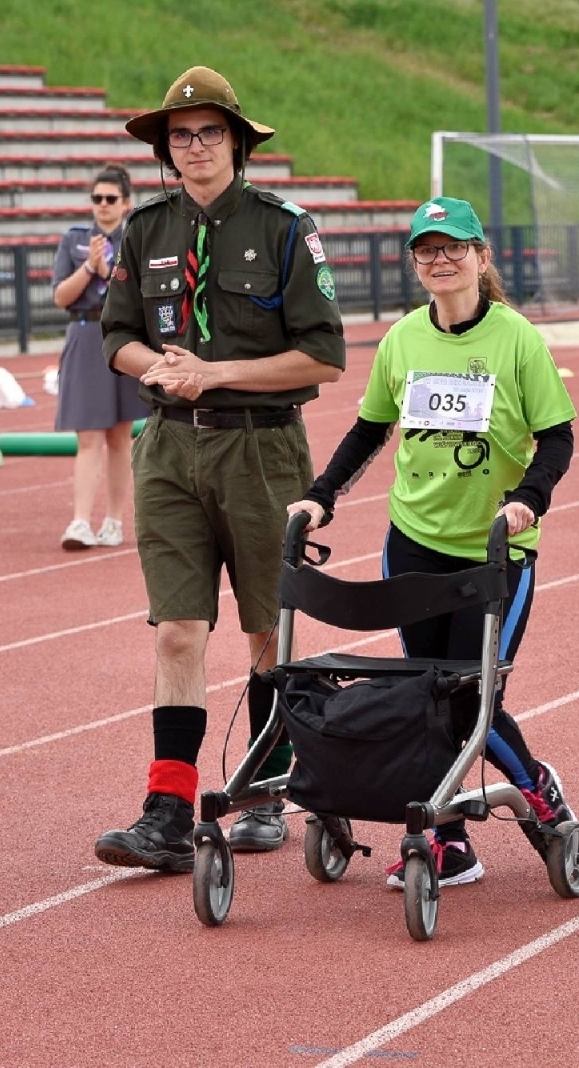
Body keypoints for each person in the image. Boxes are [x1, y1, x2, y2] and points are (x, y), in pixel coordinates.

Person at [92, 66, 346, 871]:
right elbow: (116, 336)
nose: (194, 147)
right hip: (168, 445)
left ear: (237, 141)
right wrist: (156, 371)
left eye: (208, 133)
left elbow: (324, 356)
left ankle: (268, 788)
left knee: (267, 628)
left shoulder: (285, 227)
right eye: (179, 136)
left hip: (260, 445)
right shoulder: (146, 228)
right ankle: (166, 810)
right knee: (175, 629)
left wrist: (215, 373)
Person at [288, 196, 579, 888]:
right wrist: (321, 495)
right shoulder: (403, 339)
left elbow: (557, 436)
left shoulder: (516, 339)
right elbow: (369, 429)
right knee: (427, 691)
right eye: (427, 249)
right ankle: (449, 842)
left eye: (454, 248)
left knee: (472, 697)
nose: (440, 260)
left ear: (481, 257)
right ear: (416, 262)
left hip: (495, 550)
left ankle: (539, 791)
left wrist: (525, 501)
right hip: (414, 543)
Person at [51, 163, 147, 550]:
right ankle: (79, 522)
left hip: (124, 338)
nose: (103, 205)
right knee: (88, 434)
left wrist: (110, 273)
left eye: (110, 199)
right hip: (86, 333)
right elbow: (61, 297)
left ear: (126, 203)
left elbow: (139, 296)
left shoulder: (137, 240)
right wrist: (90, 268)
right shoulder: (75, 240)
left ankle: (114, 520)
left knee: (120, 434)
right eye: (97, 198)